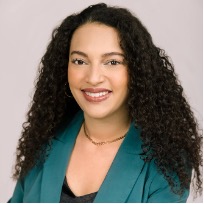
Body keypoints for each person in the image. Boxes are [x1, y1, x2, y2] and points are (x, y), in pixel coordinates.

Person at [9, 3, 202, 203]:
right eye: (79, 61)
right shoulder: (45, 140)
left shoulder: (165, 161)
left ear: (137, 71)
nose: (93, 78)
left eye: (112, 62)